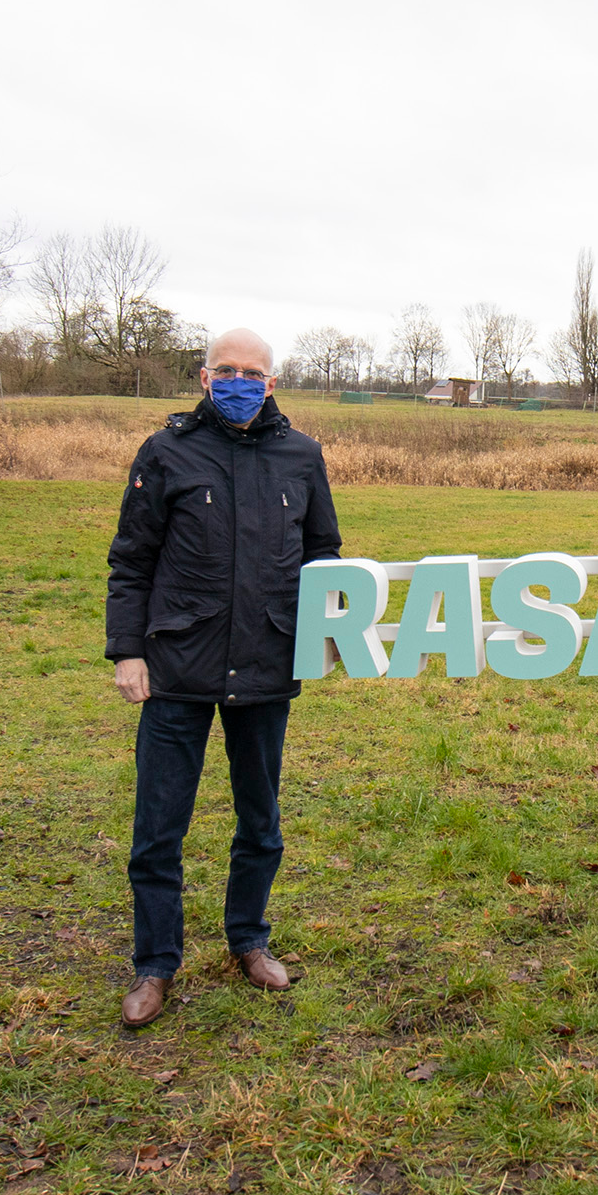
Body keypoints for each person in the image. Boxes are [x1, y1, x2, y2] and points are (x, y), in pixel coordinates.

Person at [103, 329, 342, 1029]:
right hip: (177, 663)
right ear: (205, 376)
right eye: (227, 370)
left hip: (267, 660)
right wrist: (128, 650)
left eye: (254, 372)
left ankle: (249, 938)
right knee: (158, 823)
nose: (239, 380)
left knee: (259, 817)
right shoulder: (166, 451)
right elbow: (131, 559)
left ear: (271, 382)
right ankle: (155, 963)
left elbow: (322, 552)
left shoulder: (301, 455)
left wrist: (323, 633)